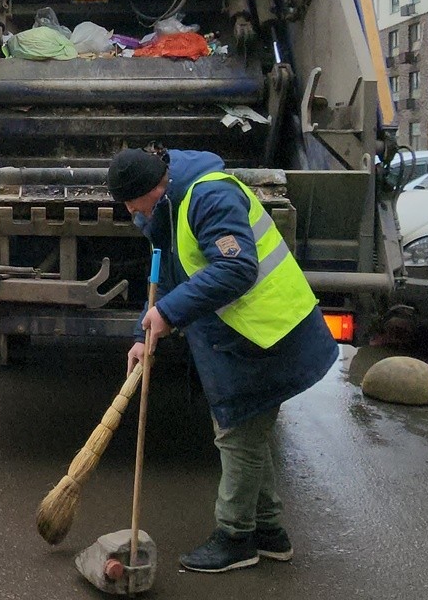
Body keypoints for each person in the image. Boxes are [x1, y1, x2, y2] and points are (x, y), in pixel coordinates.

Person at [107, 145, 339, 573]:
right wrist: (146, 328)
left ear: (153, 188)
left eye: (130, 201)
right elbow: (169, 277)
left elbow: (236, 268)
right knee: (248, 429)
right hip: (246, 333)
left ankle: (235, 538)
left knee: (237, 431)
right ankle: (268, 533)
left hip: (270, 331)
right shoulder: (170, 205)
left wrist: (169, 313)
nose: (128, 211)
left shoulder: (210, 196)